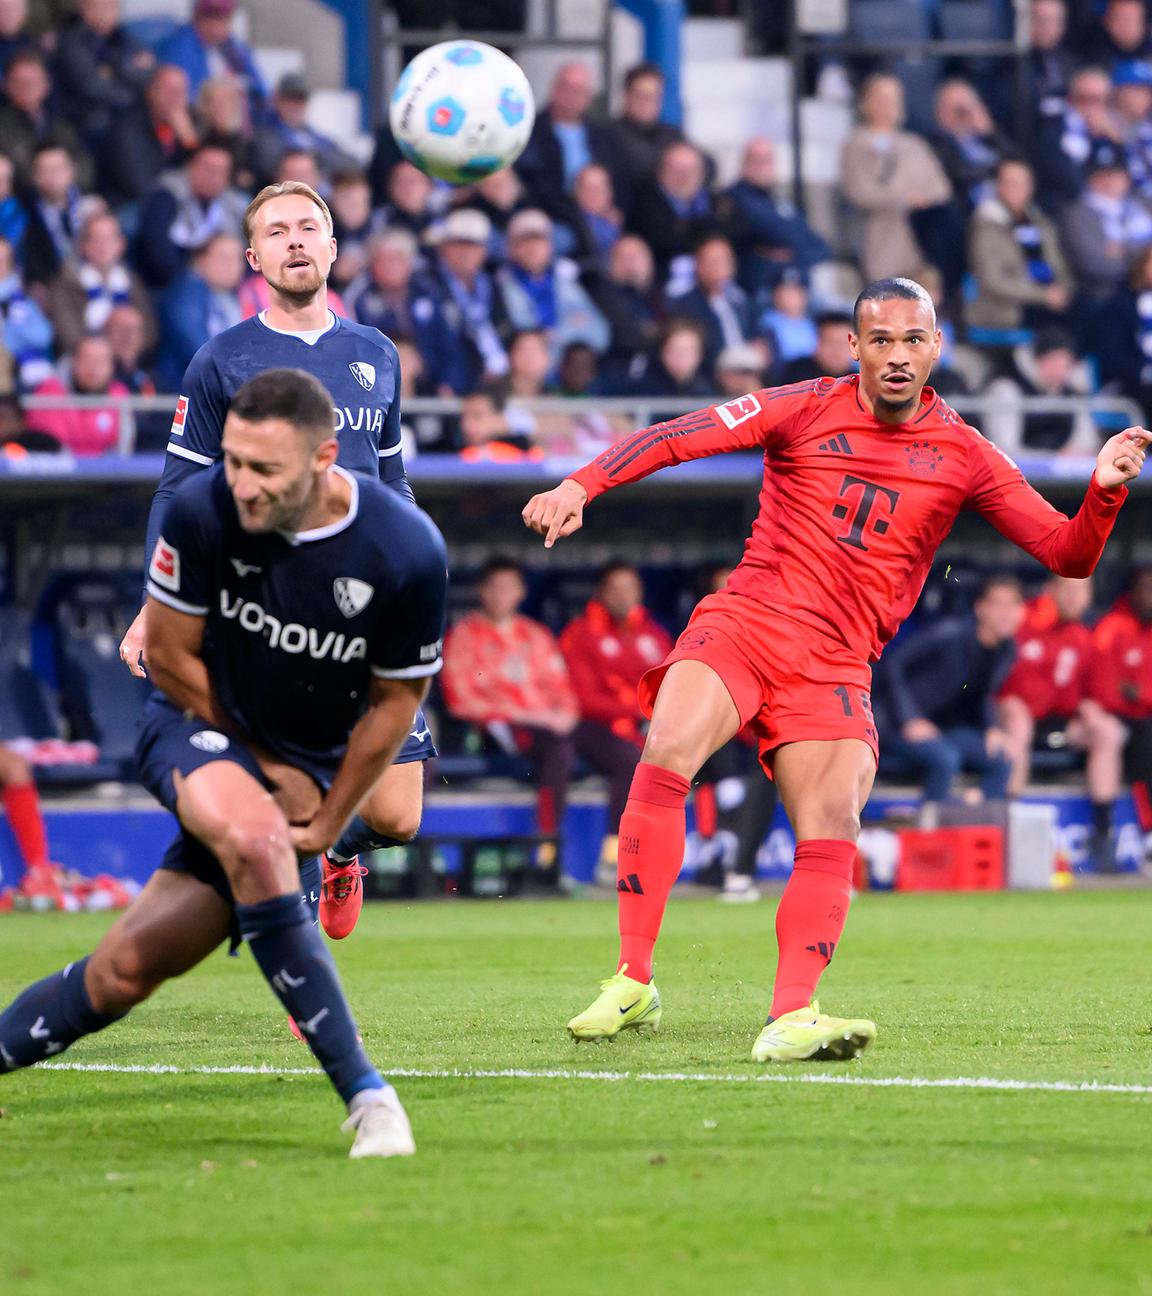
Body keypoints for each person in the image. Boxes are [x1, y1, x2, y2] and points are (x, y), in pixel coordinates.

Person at [522, 275, 1148, 1060]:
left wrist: (1102, 492)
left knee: (832, 825)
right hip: (748, 622)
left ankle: (791, 1016)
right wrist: (583, 482)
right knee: (668, 749)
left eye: (912, 340)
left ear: (936, 348)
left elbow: (1068, 554)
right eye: (879, 339)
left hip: (838, 663)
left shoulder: (965, 453)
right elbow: (682, 433)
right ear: (853, 345)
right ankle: (633, 978)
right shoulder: (804, 405)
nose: (896, 356)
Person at [0, 367, 448, 1159]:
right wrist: (272, 764)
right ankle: (369, 1099)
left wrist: (331, 814)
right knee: (257, 840)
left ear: (325, 459)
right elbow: (170, 658)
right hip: (192, 723)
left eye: (264, 469)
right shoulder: (203, 507)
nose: (241, 483)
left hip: (306, 757)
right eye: (233, 460)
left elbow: (391, 708)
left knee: (123, 973)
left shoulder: (406, 548)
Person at [117, 179, 434, 943]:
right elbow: (178, 489)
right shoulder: (221, 360)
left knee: (398, 816)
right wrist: (155, 604)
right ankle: (300, 978)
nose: (295, 240)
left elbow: (392, 480)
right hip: (266, 601)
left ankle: (340, 853)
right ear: (254, 256)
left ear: (332, 246)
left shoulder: (376, 355)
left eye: (308, 227)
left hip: (369, 603)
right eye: (278, 231)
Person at [440, 556, 579, 880]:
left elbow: (563, 691)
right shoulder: (464, 636)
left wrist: (566, 716)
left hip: (547, 726)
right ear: (482, 591)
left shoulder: (536, 635)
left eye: (509, 587)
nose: (502, 595)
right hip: (495, 729)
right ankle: (546, 850)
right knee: (558, 751)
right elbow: (460, 701)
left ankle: (609, 855)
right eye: (495, 587)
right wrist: (521, 712)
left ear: (520, 592)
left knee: (607, 748)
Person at [997, 575, 1126, 871]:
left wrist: (1090, 706)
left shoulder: (1083, 636)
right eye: (1068, 589)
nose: (1075, 598)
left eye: (1082, 591)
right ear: (1050, 590)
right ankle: (1012, 825)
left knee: (1108, 731)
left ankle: (1104, 833)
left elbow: (1097, 691)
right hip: (1018, 718)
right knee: (1018, 720)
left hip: (1060, 722)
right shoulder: (1023, 624)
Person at [560, 562, 671, 884]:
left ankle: (677, 856)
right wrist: (637, 711)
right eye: (616, 589)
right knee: (629, 763)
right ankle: (614, 858)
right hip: (593, 727)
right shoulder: (580, 634)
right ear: (602, 593)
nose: (625, 596)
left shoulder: (653, 633)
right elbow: (581, 698)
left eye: (631, 588)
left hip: (647, 726)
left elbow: (671, 679)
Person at [876, 576, 1024, 803]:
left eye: (1012, 605)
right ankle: (930, 828)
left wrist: (992, 728)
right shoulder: (949, 633)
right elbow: (893, 663)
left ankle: (975, 819)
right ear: (980, 607)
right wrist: (910, 719)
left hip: (947, 728)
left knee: (1002, 758)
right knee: (946, 759)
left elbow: (982, 692)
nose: (1006, 613)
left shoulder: (1007, 649)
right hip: (897, 725)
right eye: (998, 604)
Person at [840, 73, 952, 284]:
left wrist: (917, 200)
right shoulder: (857, 144)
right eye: (881, 98)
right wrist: (903, 198)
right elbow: (860, 192)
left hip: (919, 237)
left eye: (893, 98)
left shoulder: (914, 144)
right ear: (866, 102)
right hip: (879, 238)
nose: (888, 105)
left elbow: (940, 188)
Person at [965, 156, 1072, 334]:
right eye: (1011, 183)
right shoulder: (986, 224)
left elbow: (1059, 265)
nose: (1017, 189)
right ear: (998, 185)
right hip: (1008, 307)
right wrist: (1043, 295)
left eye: (1023, 183)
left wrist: (1064, 290)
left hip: (1049, 300)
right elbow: (992, 280)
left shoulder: (1040, 221)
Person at [1092, 567, 1152, 866]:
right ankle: (1145, 834)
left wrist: (1140, 694)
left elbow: (1138, 691)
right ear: (1132, 592)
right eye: (1145, 588)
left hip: (1144, 713)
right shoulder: (1112, 626)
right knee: (1142, 743)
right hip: (1117, 716)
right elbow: (1104, 685)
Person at [719, 137, 830, 296]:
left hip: (799, 288)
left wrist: (792, 254)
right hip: (760, 290)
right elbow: (774, 231)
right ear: (744, 164)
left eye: (768, 161)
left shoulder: (780, 202)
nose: (763, 167)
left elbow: (821, 247)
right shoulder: (733, 199)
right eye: (757, 160)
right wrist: (791, 244)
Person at [131, 142, 248, 289]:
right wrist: (196, 273)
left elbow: (245, 252)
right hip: (167, 285)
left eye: (221, 171)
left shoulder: (233, 204)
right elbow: (159, 256)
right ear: (191, 167)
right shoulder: (166, 196)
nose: (213, 177)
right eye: (208, 169)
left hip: (221, 288)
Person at [45, 210, 156, 357]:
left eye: (108, 239)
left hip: (130, 361)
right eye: (95, 239)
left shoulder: (132, 281)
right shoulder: (65, 282)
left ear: (121, 244)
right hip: (84, 363)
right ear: (83, 245)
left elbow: (149, 331)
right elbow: (67, 334)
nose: (102, 246)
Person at [52, 0, 155, 147]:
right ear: (84, 9)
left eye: (111, 6)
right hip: (89, 122)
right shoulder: (72, 42)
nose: (106, 13)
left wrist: (114, 71)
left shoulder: (124, 37)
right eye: (99, 7)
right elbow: (93, 87)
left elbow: (149, 73)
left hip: (127, 118)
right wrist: (130, 78)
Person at [98, 63, 200, 208]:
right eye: (170, 91)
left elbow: (206, 178)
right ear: (151, 92)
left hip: (175, 201)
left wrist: (189, 143)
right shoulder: (128, 129)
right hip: (129, 206)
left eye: (181, 92)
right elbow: (139, 186)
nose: (176, 100)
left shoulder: (191, 122)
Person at [155, 0, 265, 123]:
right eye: (210, 18)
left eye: (223, 19)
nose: (216, 28)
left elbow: (261, 90)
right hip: (199, 125)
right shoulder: (180, 46)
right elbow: (186, 101)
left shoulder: (234, 48)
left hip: (238, 127)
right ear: (197, 18)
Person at [25, 334, 129, 455]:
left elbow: (121, 449)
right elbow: (51, 447)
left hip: (107, 471)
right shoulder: (48, 394)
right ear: (73, 361)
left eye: (101, 361)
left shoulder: (119, 395)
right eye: (87, 359)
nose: (93, 367)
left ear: (112, 366)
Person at [667, 234, 754, 369]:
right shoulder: (684, 305)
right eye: (713, 260)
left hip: (747, 370)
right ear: (698, 265)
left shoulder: (741, 302)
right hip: (712, 376)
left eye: (724, 259)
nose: (720, 265)